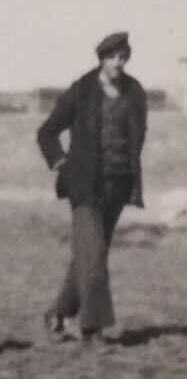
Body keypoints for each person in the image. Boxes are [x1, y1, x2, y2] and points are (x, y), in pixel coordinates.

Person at [36, 31, 148, 344]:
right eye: (112, 57)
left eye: (123, 57)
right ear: (101, 59)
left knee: (89, 254)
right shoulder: (81, 90)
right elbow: (47, 132)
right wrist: (61, 163)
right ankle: (92, 329)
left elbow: (137, 136)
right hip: (84, 185)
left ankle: (57, 314)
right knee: (94, 254)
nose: (118, 63)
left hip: (118, 185)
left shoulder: (135, 92)